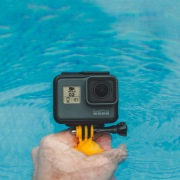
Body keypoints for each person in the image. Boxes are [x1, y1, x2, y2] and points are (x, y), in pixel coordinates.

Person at [31, 129, 127, 180]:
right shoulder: (104, 162)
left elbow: (36, 151)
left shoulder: (42, 150)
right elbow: (113, 157)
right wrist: (120, 152)